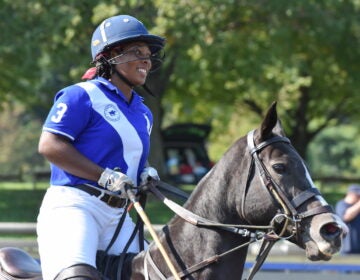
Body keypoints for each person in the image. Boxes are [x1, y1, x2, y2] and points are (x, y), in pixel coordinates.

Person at [36, 15, 165, 280]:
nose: (146, 60)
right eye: (137, 53)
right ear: (111, 56)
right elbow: (49, 145)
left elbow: (128, 156)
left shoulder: (143, 111)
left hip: (119, 214)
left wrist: (146, 171)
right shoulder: (80, 95)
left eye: (148, 55)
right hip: (75, 206)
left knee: (157, 274)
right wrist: (102, 176)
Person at [335, 184, 360, 254]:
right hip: (347, 248)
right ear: (350, 194)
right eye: (357, 196)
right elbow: (346, 217)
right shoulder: (341, 204)